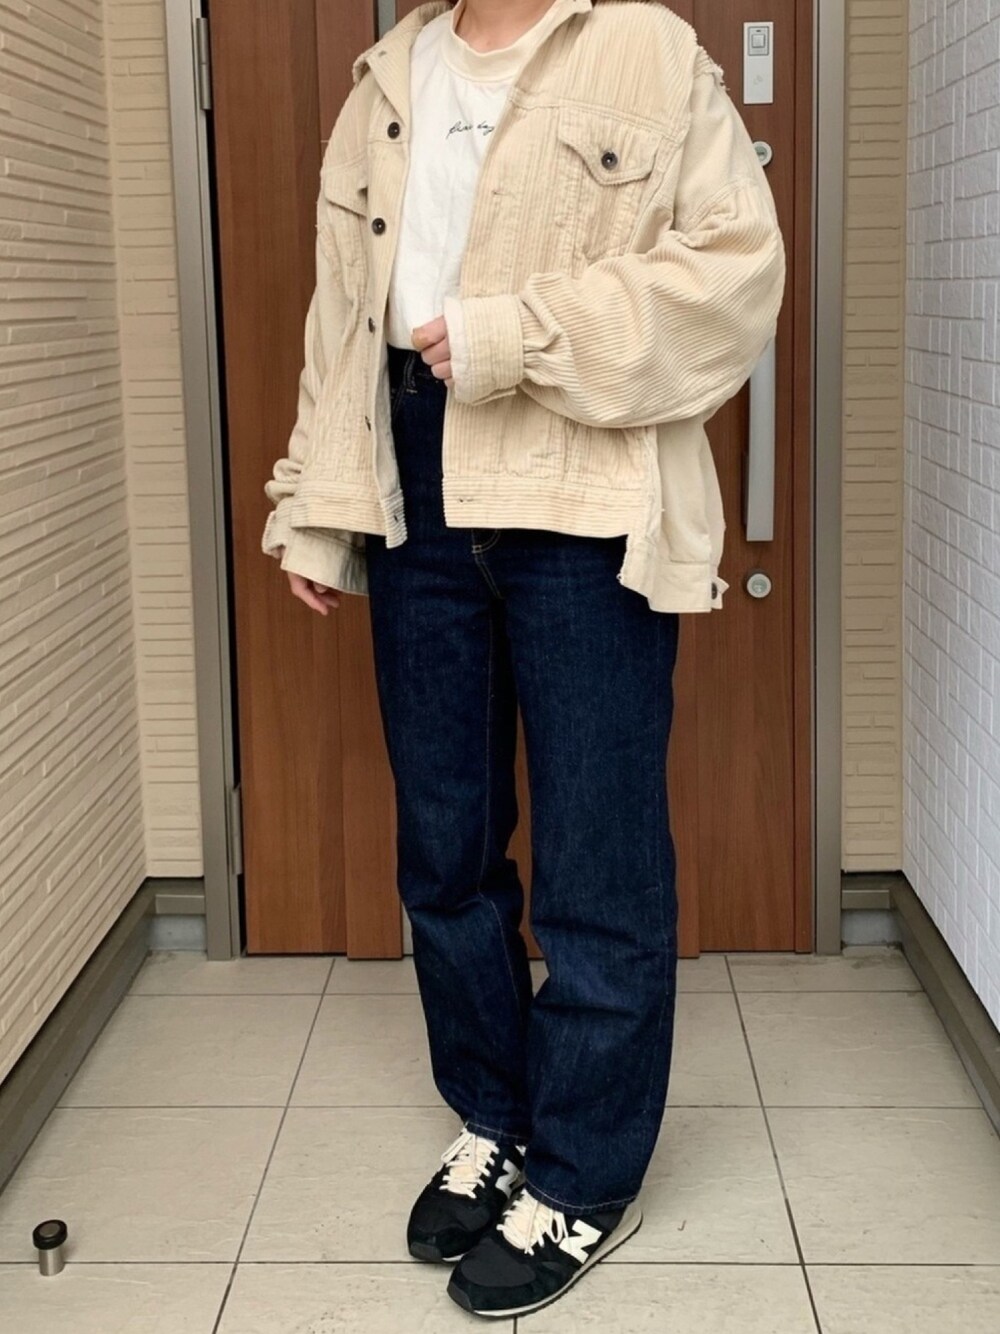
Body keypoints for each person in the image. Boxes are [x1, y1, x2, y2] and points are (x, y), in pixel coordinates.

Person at [262, 0, 784, 1318]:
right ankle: (493, 1115)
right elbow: (345, 316)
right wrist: (318, 503)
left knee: (597, 855)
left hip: (581, 475)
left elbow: (737, 273)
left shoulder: (645, 50)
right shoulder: (389, 75)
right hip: (415, 472)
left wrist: (521, 333)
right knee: (445, 843)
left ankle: (584, 1173)